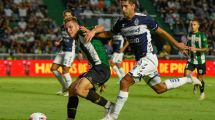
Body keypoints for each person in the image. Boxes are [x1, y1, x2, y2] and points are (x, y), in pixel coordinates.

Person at [94, 0, 202, 119]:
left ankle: (112, 117)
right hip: (141, 61)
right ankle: (188, 79)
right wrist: (92, 32)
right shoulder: (120, 22)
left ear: (133, 6)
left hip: (149, 58)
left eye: (126, 6)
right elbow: (108, 34)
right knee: (160, 88)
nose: (123, 9)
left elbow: (162, 32)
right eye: (122, 6)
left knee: (124, 82)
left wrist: (177, 45)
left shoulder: (144, 19)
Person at [63, 16, 113, 120]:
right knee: (72, 89)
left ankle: (110, 106)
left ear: (77, 26)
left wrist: (93, 31)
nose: (68, 30)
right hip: (95, 69)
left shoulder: (82, 31)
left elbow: (101, 27)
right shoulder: (77, 40)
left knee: (79, 90)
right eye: (66, 29)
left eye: (71, 27)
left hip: (101, 68)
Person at [50, 10, 76, 96]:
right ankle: (65, 87)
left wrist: (79, 51)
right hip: (63, 50)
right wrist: (59, 42)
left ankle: (70, 91)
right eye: (66, 15)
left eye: (69, 15)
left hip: (70, 51)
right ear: (64, 17)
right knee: (53, 68)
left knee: (65, 71)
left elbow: (78, 38)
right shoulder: (62, 26)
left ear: (71, 16)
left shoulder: (74, 26)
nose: (67, 17)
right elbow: (64, 37)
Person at [184, 19, 209, 100]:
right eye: (191, 25)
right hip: (191, 59)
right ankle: (195, 82)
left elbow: (206, 49)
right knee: (186, 74)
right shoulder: (189, 35)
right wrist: (186, 50)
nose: (192, 26)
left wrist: (196, 49)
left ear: (198, 26)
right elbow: (188, 46)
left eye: (194, 24)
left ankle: (202, 93)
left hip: (200, 61)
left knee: (200, 78)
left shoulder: (202, 35)